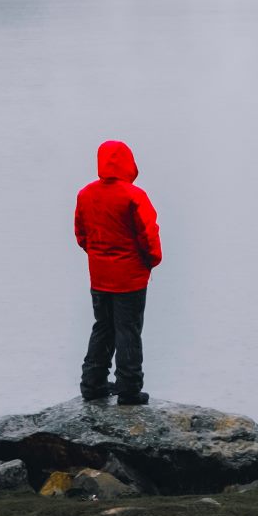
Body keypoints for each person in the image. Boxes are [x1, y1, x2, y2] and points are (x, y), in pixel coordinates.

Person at [74, 138, 162, 406]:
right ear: (128, 163)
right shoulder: (134, 196)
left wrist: (98, 257)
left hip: (99, 277)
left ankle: (92, 383)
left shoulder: (86, 194)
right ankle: (129, 389)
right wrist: (151, 261)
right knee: (128, 330)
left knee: (103, 327)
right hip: (130, 278)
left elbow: (81, 235)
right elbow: (148, 235)